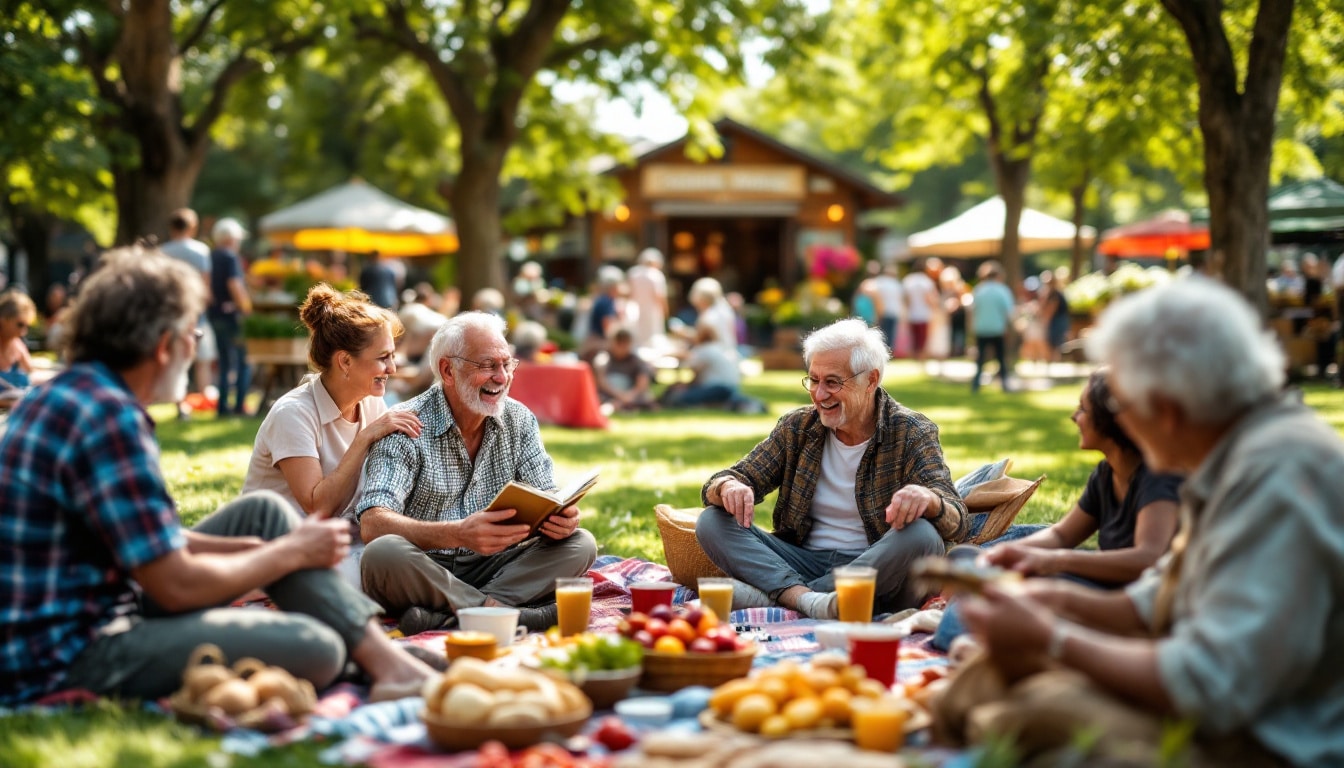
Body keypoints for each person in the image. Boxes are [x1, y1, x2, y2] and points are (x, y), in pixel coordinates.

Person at [0, 247, 434, 707]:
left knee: (264, 512)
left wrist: (258, 548)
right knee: (317, 648)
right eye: (194, 332)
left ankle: (387, 663)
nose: (196, 344)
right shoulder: (110, 418)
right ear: (165, 344)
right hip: (69, 651)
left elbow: (149, 542)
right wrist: (283, 555)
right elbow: (175, 584)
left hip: (96, 603)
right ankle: (384, 662)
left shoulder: (76, 396)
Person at [954, 277, 1344, 766]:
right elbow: (1160, 596)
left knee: (1028, 714)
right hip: (1223, 705)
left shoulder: (1281, 475)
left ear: (1167, 410)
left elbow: (1207, 683)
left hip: (1274, 739)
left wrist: (1052, 637)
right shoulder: (1236, 456)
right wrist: (1048, 597)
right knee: (984, 684)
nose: (1119, 418)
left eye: (1120, 404)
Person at [696, 318, 966, 618]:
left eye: (833, 382)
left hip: (876, 565)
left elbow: (957, 518)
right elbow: (732, 477)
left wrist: (929, 500)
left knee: (923, 536)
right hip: (802, 559)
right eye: (814, 380)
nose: (819, 394)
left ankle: (783, 597)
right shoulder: (798, 427)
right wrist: (728, 486)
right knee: (712, 521)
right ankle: (813, 600)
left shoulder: (910, 431)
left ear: (871, 380)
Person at [356, 312, 598, 635]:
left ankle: (452, 616)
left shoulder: (520, 420)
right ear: (448, 371)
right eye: (487, 366)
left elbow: (547, 496)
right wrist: (457, 533)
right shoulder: (404, 423)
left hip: (500, 566)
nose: (501, 377)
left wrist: (562, 520)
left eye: (507, 364)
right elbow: (372, 523)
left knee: (582, 544)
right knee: (381, 555)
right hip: (427, 566)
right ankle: (514, 615)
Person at [241, 285, 424, 589]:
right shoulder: (293, 413)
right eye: (383, 357)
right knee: (373, 578)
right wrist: (365, 438)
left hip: (338, 544)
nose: (391, 367)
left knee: (409, 560)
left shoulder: (371, 402)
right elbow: (319, 507)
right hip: (279, 551)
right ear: (345, 362)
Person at [984, 369, 1180, 586]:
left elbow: (1148, 559)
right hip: (1105, 585)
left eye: (1083, 409)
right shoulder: (1106, 474)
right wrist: (1006, 553)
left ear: (1111, 419)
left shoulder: (1158, 477)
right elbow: (1061, 535)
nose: (1074, 417)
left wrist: (1054, 561)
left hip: (1137, 600)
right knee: (966, 556)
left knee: (1030, 582)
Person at [159, 207, 216, 419]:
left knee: (177, 359)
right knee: (203, 360)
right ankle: (205, 401)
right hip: (196, 312)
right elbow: (205, 284)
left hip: (172, 312)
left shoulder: (163, 251)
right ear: (192, 227)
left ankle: (181, 404)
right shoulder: (201, 250)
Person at [208, 217, 253, 416]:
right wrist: (246, 309)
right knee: (244, 361)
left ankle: (222, 407)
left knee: (225, 363)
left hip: (215, 313)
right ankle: (239, 405)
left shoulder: (210, 256)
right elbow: (235, 285)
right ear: (231, 238)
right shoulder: (230, 257)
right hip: (232, 316)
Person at [969, 260, 1015, 393]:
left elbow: (973, 311)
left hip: (981, 328)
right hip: (997, 329)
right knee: (1001, 358)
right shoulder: (1002, 290)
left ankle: (976, 385)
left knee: (980, 360)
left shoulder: (979, 290)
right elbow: (1008, 312)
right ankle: (1005, 384)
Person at [594, 327, 657, 412]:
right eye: (619, 343)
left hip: (630, 395)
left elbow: (642, 382)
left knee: (647, 396)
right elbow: (601, 381)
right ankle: (617, 405)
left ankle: (620, 406)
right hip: (608, 394)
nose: (622, 347)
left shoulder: (636, 360)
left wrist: (629, 395)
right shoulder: (604, 358)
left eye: (625, 343)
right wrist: (619, 395)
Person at [626, 249, 669, 350]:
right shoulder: (656, 275)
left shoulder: (633, 273)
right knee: (653, 337)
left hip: (635, 309)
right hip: (652, 311)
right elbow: (660, 297)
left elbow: (629, 293)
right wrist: (665, 313)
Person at [0, 290, 36, 407]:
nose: (23, 331)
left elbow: (32, 374)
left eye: (27, 326)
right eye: (20, 324)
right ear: (3, 320)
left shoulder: (18, 345)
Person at [902, 259, 939, 360]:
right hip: (924, 313)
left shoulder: (908, 280)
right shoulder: (926, 281)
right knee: (922, 338)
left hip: (912, 313)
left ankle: (915, 356)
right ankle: (921, 357)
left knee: (914, 337)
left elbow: (906, 299)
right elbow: (929, 298)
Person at [874, 263, 905, 354]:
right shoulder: (896, 284)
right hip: (893, 312)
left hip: (882, 311)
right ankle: (888, 353)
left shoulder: (879, 282)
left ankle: (881, 352)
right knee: (890, 335)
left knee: (881, 334)